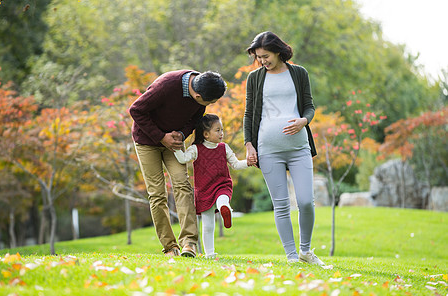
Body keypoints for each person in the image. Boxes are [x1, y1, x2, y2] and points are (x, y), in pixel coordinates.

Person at [243, 31, 325, 266]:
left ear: (278, 51)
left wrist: (304, 121)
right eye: (258, 57)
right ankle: (291, 256)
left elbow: (309, 106)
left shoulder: (299, 73)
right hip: (268, 149)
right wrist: (249, 145)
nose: (262, 61)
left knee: (306, 201)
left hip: (298, 147)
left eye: (266, 56)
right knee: (280, 205)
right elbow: (249, 114)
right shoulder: (255, 78)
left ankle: (306, 251)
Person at [129, 70, 227, 258]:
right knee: (157, 194)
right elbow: (136, 110)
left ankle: (189, 243)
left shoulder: (202, 87)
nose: (211, 105)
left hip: (173, 141)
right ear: (197, 95)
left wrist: (181, 135)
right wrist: (160, 137)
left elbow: (196, 119)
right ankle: (169, 247)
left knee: (183, 185)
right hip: (147, 141)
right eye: (210, 102)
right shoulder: (167, 85)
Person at [174, 114, 249, 259]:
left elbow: (236, 164)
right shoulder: (196, 149)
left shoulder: (223, 147)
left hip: (222, 184)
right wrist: (175, 147)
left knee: (222, 200)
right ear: (206, 134)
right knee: (208, 226)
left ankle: (224, 209)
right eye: (218, 130)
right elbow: (183, 158)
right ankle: (210, 254)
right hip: (204, 190)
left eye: (222, 130)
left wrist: (249, 161)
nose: (222, 133)